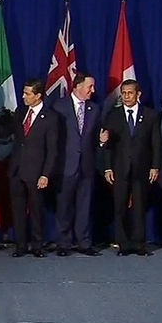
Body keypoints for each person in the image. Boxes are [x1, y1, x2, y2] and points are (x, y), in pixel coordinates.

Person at [51, 72, 108, 257]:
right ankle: (63, 243)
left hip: (86, 165)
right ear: (78, 86)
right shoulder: (59, 106)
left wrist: (101, 141)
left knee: (85, 205)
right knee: (64, 205)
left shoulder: (95, 109)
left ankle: (84, 243)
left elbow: (96, 138)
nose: (93, 90)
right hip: (65, 164)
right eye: (90, 86)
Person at [102, 79, 161, 256]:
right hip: (119, 169)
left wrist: (155, 166)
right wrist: (107, 168)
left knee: (140, 206)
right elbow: (108, 146)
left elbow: (156, 144)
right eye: (124, 93)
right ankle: (123, 245)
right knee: (120, 207)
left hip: (142, 168)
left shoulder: (149, 115)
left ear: (138, 94)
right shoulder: (114, 115)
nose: (127, 96)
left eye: (130, 93)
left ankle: (139, 244)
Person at [9, 80, 58, 258]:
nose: (23, 96)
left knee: (37, 211)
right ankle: (21, 245)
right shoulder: (20, 112)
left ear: (38, 96)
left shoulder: (51, 117)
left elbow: (52, 150)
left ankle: (37, 245)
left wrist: (45, 174)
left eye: (27, 93)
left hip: (37, 172)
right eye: (23, 92)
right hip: (16, 170)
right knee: (18, 210)